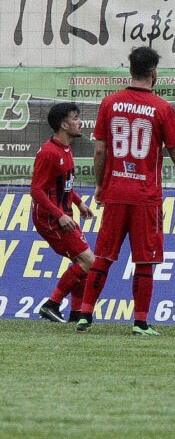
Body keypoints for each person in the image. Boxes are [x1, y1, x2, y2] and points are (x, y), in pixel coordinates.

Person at [76, 47, 175, 335]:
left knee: (103, 256)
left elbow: (99, 150)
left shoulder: (110, 103)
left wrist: (100, 184)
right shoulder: (162, 108)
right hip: (145, 196)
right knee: (145, 259)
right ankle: (140, 322)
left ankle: (85, 314)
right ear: (153, 73)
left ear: (130, 70)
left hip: (115, 192)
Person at [31, 102, 95, 323]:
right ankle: (51, 304)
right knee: (89, 261)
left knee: (82, 262)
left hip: (63, 213)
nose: (80, 122)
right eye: (75, 118)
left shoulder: (65, 148)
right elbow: (36, 190)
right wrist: (59, 215)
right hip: (50, 218)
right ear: (64, 125)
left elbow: (62, 184)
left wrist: (78, 203)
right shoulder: (49, 152)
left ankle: (76, 314)